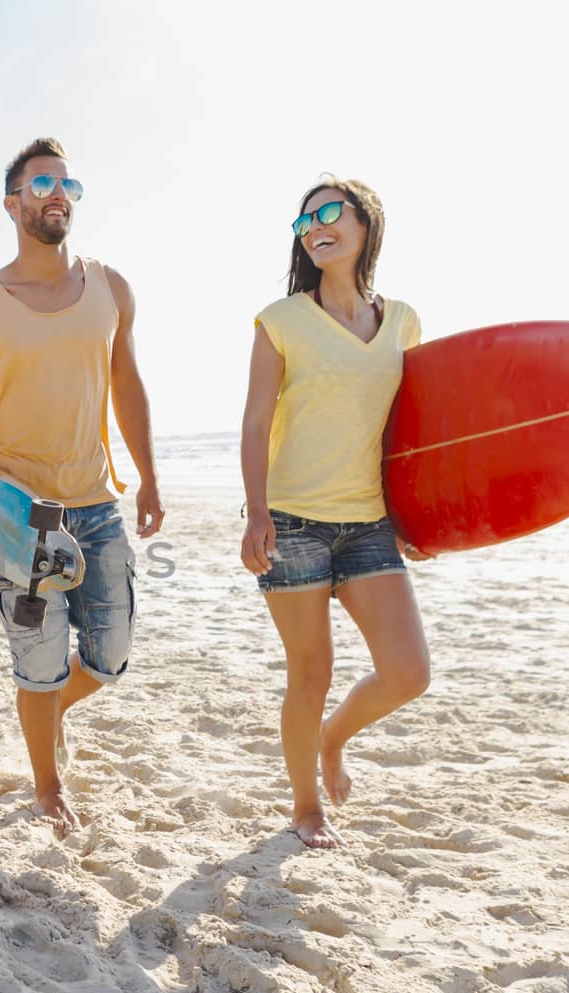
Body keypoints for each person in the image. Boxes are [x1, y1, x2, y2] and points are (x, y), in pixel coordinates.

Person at [0, 138, 163, 837]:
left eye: (68, 183)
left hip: (97, 507)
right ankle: (46, 782)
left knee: (111, 652)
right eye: (42, 182)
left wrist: (150, 474)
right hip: (19, 515)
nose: (58, 192)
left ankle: (51, 716)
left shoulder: (110, 288)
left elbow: (127, 384)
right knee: (37, 660)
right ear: (13, 202)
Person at [238, 176, 433, 850]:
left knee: (409, 672)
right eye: (304, 220)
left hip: (370, 522)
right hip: (291, 521)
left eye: (329, 213)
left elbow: (415, 435)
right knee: (310, 671)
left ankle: (332, 737)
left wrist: (421, 517)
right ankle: (305, 806)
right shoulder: (282, 320)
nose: (315, 226)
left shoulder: (403, 321)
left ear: (365, 222)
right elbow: (257, 420)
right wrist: (256, 512)